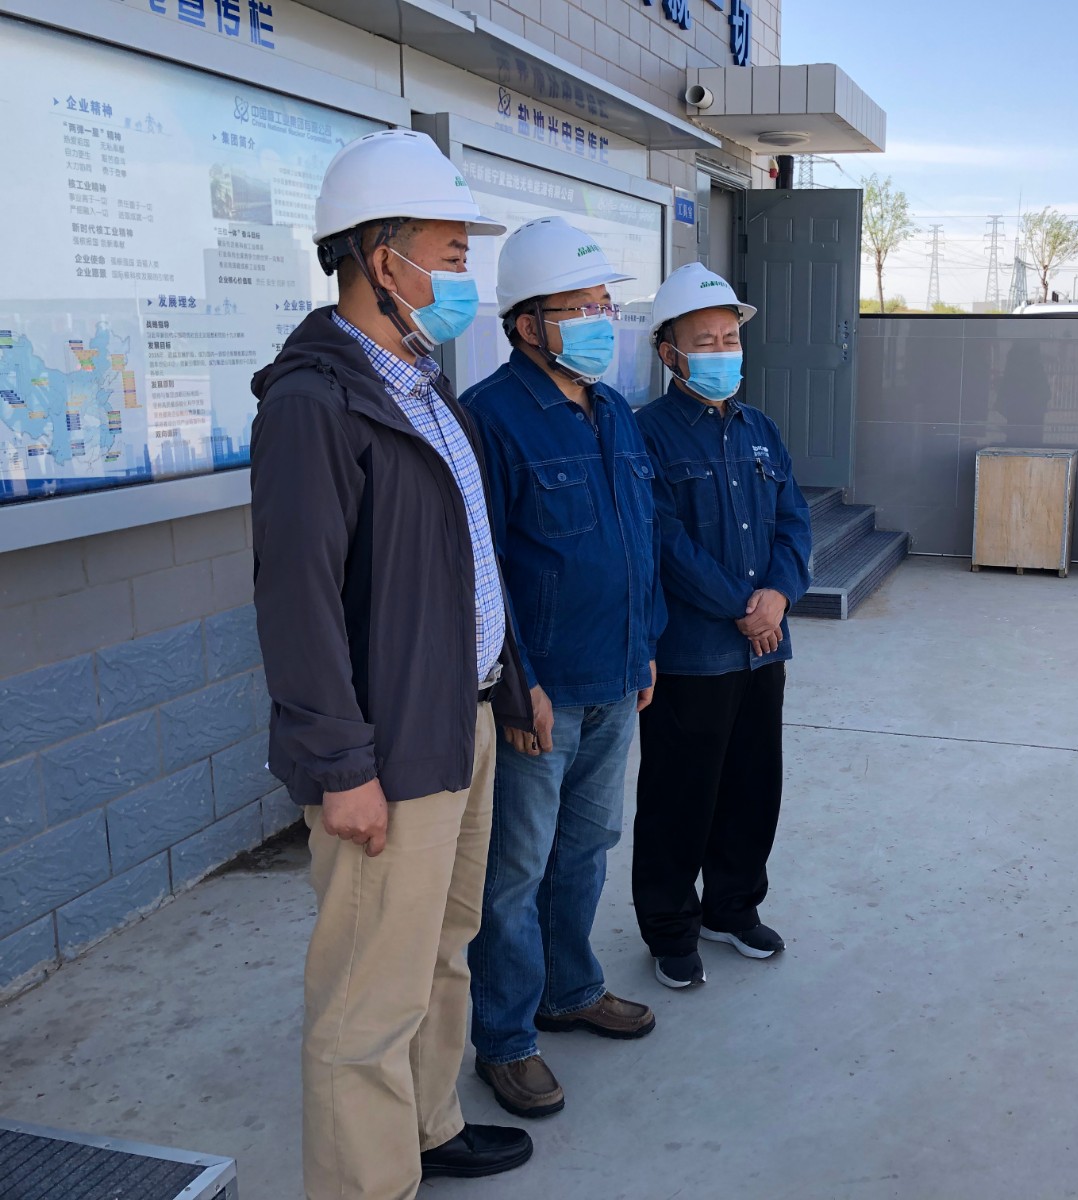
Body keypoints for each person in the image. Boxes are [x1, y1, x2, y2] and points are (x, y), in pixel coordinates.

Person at [250, 128, 534, 1199]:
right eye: (451, 253)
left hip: (461, 718)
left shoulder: (421, 380)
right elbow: (297, 601)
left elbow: (468, 557)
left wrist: (511, 682)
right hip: (388, 747)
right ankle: (365, 1183)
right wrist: (341, 767)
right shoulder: (313, 402)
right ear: (381, 258)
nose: (465, 276)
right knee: (367, 992)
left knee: (443, 946)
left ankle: (427, 1124)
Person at [463, 217, 662, 1120]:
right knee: (514, 873)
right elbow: (485, 569)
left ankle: (570, 989)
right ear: (525, 324)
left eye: (604, 305)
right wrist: (519, 685)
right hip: (540, 696)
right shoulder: (491, 418)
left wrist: (643, 644)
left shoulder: (612, 409)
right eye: (578, 308)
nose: (600, 322)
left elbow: (638, 540)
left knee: (587, 849)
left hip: (615, 676)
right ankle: (506, 1038)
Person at [631, 263, 812, 988]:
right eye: (703, 340)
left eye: (729, 338)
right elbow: (664, 542)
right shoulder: (645, 434)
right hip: (693, 652)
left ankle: (732, 906)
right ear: (669, 352)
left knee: (752, 785)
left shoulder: (761, 430)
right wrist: (744, 605)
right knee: (679, 795)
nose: (721, 351)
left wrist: (780, 595)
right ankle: (670, 926)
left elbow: (794, 522)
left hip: (764, 650)